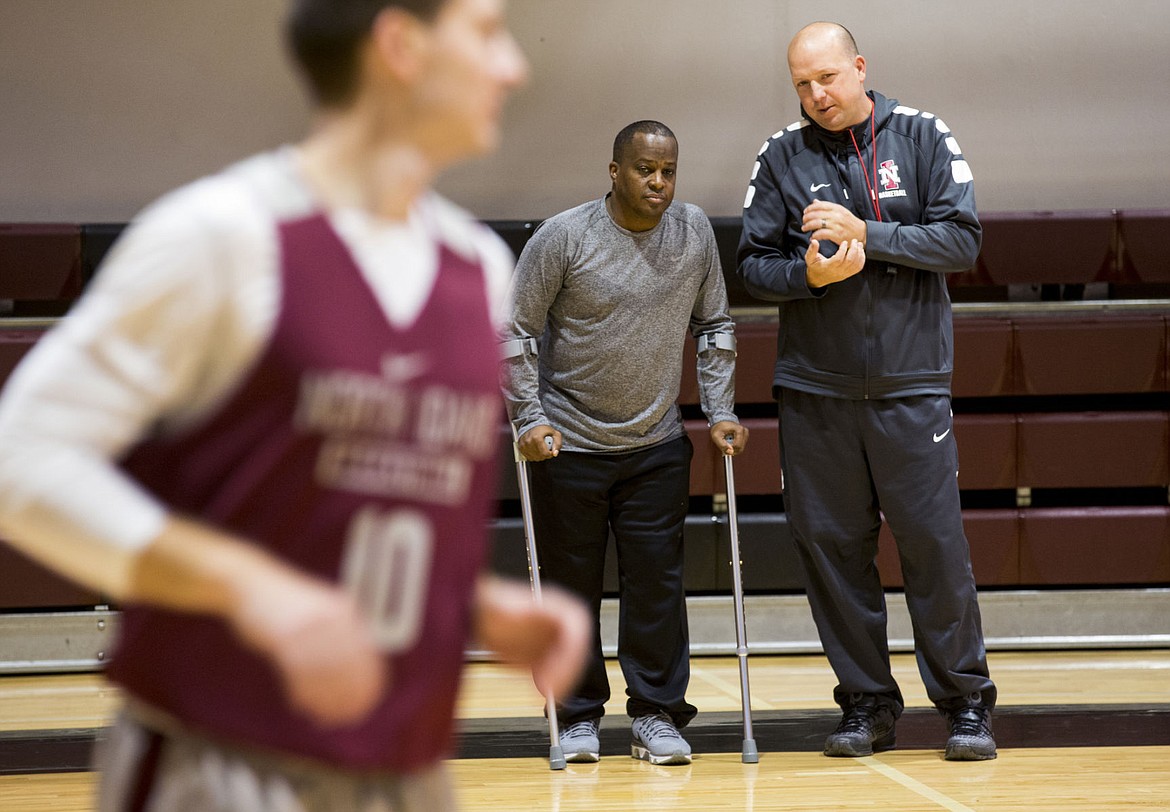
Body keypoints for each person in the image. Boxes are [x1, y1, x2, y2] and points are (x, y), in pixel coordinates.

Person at [0, 1, 591, 809]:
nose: (513, 66)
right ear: (399, 44)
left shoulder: (477, 267)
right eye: (487, 33)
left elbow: (349, 505)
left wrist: (475, 607)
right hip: (222, 762)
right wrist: (249, 588)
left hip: (408, 768)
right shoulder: (224, 234)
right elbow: (21, 457)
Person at [735, 21, 997, 761]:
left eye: (827, 78)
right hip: (814, 392)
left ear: (858, 67)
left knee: (934, 550)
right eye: (802, 85)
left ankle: (966, 706)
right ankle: (867, 706)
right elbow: (752, 267)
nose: (816, 95)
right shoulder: (780, 156)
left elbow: (962, 241)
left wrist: (866, 234)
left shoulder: (920, 136)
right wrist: (808, 279)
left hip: (912, 389)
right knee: (832, 553)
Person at [500, 120, 748, 766]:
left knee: (657, 587)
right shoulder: (565, 237)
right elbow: (515, 334)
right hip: (569, 444)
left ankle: (656, 713)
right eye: (645, 170)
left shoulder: (693, 233)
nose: (658, 183)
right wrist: (528, 419)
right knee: (571, 589)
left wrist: (720, 409)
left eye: (668, 171)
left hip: (656, 442)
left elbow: (716, 324)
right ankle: (578, 717)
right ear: (614, 171)